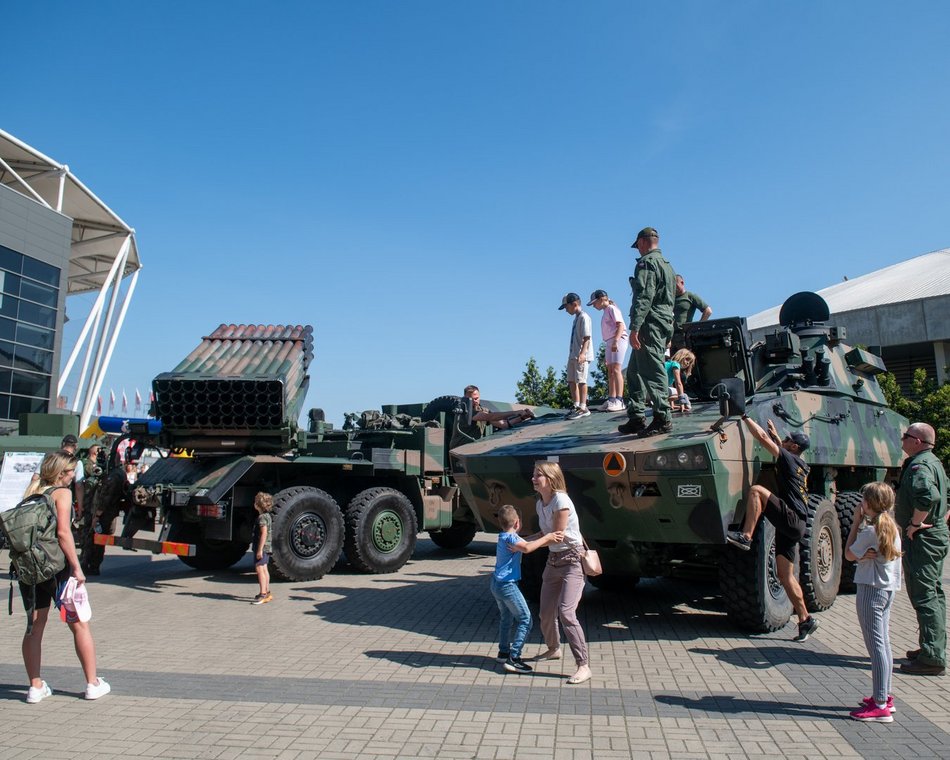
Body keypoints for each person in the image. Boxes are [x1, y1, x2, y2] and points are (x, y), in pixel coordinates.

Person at [20, 450, 110, 703]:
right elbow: (63, 533)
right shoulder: (63, 493)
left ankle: (35, 687)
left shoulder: (31, 492)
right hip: (57, 568)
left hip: (31, 567)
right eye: (71, 472)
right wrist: (77, 567)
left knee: (34, 627)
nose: (73, 478)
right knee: (79, 624)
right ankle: (92, 684)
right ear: (61, 473)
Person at [726, 417, 820, 642]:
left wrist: (744, 417)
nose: (785, 441)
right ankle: (806, 620)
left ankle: (746, 536)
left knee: (757, 490)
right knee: (785, 576)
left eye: (788, 440)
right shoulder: (800, 464)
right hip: (796, 524)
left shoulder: (788, 459)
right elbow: (779, 445)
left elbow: (762, 438)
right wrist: (779, 437)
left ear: (794, 447)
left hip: (791, 518)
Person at [529, 461, 592, 684]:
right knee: (545, 612)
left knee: (566, 613)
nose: (534, 478)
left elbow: (556, 534)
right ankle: (553, 648)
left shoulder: (561, 500)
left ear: (551, 478)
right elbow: (544, 532)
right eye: (534, 474)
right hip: (553, 561)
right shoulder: (541, 503)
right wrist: (521, 540)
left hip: (572, 560)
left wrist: (528, 546)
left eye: (539, 475)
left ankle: (583, 665)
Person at [845, 482, 902, 722]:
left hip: (870, 591)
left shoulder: (870, 531)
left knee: (876, 647)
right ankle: (884, 695)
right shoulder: (891, 528)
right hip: (887, 590)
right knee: (884, 644)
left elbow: (848, 553)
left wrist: (856, 522)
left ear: (867, 504)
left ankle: (880, 705)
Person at [894, 422, 947, 676]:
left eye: (906, 436)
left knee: (924, 594)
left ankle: (932, 658)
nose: (902, 439)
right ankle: (932, 646)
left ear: (917, 441)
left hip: (923, 539)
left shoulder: (919, 466)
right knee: (934, 594)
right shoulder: (933, 462)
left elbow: (928, 496)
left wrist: (915, 524)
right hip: (935, 535)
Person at [618, 227, 676, 438]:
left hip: (649, 324)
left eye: (638, 246)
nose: (638, 250)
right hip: (661, 322)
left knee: (653, 371)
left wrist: (635, 328)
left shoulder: (647, 263)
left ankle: (662, 418)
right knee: (634, 371)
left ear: (642, 242)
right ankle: (637, 417)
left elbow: (644, 297)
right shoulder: (667, 266)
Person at [491, 504, 563, 674]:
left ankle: (503, 651)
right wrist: (548, 537)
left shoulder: (504, 536)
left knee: (506, 618)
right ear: (517, 523)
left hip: (496, 584)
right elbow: (528, 548)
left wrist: (539, 535)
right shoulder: (513, 540)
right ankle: (514, 658)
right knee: (526, 619)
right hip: (508, 586)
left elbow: (525, 542)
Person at [449, 385, 535, 449]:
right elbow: (491, 417)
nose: (475, 401)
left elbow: (504, 424)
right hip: (459, 449)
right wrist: (516, 412)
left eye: (476, 398)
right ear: (465, 399)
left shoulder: (482, 410)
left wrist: (522, 418)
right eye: (471, 399)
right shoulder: (465, 410)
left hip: (473, 448)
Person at [588, 289, 628, 412]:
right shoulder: (606, 311)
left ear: (601, 299)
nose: (594, 306)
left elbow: (620, 325)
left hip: (618, 339)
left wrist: (616, 340)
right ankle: (611, 399)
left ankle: (619, 400)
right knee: (610, 370)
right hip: (610, 341)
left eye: (595, 303)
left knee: (616, 369)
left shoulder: (612, 309)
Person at [559, 293, 593, 420]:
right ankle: (576, 404)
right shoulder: (576, 318)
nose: (566, 310)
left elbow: (587, 337)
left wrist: (583, 353)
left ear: (574, 304)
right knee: (571, 379)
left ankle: (583, 407)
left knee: (581, 380)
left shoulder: (584, 317)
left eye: (567, 307)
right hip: (573, 354)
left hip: (581, 355)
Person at [671, 274, 712, 351]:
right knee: (670, 362)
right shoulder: (670, 299)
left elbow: (708, 311)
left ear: (682, 283)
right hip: (670, 336)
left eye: (675, 285)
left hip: (684, 335)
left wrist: (697, 327)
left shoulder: (690, 296)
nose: (673, 288)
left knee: (685, 360)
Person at [252, 492, 274, 605]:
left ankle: (263, 594)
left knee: (260, 569)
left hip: (262, 547)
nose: (254, 503)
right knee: (265, 569)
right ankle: (267, 592)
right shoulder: (267, 516)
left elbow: (263, 534)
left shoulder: (261, 518)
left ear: (258, 505)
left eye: (255, 502)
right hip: (268, 547)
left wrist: (259, 549)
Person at [60, 434, 85, 526]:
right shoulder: (76, 462)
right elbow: (79, 486)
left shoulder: (47, 457)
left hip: (45, 498)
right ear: (76, 446)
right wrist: (80, 507)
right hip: (63, 500)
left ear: (62, 444)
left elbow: (35, 478)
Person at [665, 348, 695, 413]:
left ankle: (665, 402)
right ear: (681, 356)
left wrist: (672, 405)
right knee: (684, 395)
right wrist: (682, 403)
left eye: (689, 362)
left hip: (651, 391)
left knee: (674, 391)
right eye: (687, 359)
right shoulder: (675, 364)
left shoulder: (668, 363)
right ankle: (684, 404)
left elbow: (670, 386)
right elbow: (678, 383)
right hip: (657, 392)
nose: (687, 363)